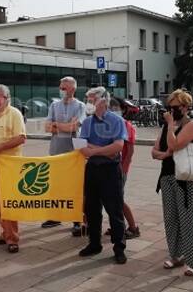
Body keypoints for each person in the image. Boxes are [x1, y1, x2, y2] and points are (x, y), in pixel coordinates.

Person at [152, 89, 193, 276]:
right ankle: (177, 255)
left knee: (189, 220)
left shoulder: (192, 125)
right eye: (168, 107)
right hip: (167, 176)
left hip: (186, 179)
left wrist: (170, 128)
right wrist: (165, 152)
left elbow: (174, 146)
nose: (169, 111)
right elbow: (154, 152)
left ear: (185, 107)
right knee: (171, 219)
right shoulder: (168, 125)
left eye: (173, 107)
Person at [78, 86, 128, 264]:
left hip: (110, 170)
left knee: (114, 210)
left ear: (103, 100)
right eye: (88, 99)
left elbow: (118, 147)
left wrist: (94, 150)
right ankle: (94, 243)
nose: (88, 103)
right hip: (92, 170)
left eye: (91, 99)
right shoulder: (87, 122)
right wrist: (103, 151)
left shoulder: (116, 120)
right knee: (91, 209)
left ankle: (119, 247)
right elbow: (82, 147)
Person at [41, 76, 86, 235]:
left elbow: (75, 127)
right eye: (60, 88)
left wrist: (57, 125)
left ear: (73, 89)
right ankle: (56, 216)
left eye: (64, 88)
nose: (61, 91)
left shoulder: (81, 106)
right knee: (55, 186)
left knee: (75, 187)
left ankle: (77, 219)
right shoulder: (54, 105)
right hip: (56, 152)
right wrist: (65, 126)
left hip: (74, 153)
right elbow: (47, 127)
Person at [0, 84, 27, 253]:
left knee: (9, 202)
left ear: (6, 98)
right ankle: (5, 232)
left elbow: (21, 138)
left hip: (10, 167)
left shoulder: (14, 113)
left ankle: (13, 238)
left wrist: (0, 148)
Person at [109, 98, 140, 239]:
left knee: (118, 199)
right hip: (110, 167)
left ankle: (133, 227)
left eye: (114, 108)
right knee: (110, 198)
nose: (111, 110)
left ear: (122, 109)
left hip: (120, 169)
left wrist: (123, 169)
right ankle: (116, 225)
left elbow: (130, 152)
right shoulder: (110, 124)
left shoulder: (126, 125)